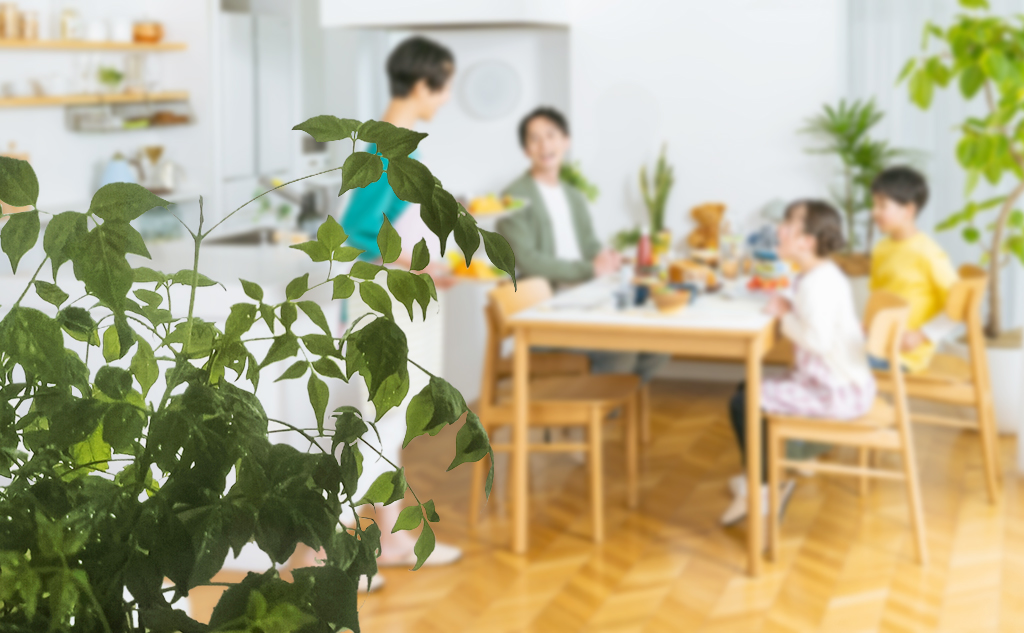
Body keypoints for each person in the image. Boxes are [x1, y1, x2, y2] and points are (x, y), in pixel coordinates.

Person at [316, 35, 462, 586]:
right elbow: (355, 232)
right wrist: (416, 263)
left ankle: (396, 541)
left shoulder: (391, 144)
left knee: (388, 422)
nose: (444, 99)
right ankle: (340, 556)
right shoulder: (393, 150)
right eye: (443, 87)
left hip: (389, 296)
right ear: (423, 84)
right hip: (382, 303)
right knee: (381, 424)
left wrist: (420, 264)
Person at [720, 200, 876, 526]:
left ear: (807, 241)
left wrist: (784, 314)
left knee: (743, 402)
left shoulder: (819, 283)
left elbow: (816, 340)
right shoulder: (818, 274)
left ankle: (761, 490)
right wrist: (788, 305)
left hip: (835, 392)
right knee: (747, 389)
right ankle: (760, 476)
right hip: (839, 383)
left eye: (789, 225)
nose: (780, 229)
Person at [497, 107, 664, 381]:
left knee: (659, 344)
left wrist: (607, 258)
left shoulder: (573, 195)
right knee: (622, 350)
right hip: (546, 312)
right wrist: (590, 269)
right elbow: (525, 258)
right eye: (534, 139)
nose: (544, 145)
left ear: (566, 141)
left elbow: (588, 243)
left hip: (587, 302)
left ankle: (610, 411)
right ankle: (595, 416)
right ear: (525, 150)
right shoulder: (514, 195)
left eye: (551, 135)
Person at [868, 166, 958, 373]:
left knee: (831, 363)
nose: (874, 212)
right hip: (877, 342)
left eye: (882, 206)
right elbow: (877, 296)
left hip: (904, 355)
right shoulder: (882, 247)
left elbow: (959, 306)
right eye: (874, 205)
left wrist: (922, 335)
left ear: (908, 210)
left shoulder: (927, 253)